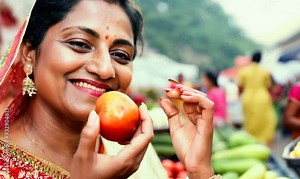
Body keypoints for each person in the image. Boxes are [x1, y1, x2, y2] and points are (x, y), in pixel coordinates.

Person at [0, 0, 219, 178]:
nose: (105, 69)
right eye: (79, 43)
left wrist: (200, 171)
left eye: (120, 55)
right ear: (29, 52)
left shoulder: (128, 155)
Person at [237, 50, 276, 145]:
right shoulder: (265, 71)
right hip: (262, 98)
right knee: (266, 120)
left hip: (248, 98)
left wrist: (239, 96)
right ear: (260, 59)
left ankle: (251, 142)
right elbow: (270, 87)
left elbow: (240, 88)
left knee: (249, 121)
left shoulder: (243, 71)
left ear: (251, 58)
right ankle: (265, 142)